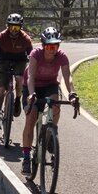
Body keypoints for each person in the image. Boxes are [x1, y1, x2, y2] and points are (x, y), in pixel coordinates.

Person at [20, 26, 78, 174]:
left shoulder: (62, 56)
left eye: (55, 46)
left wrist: (72, 94)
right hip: (31, 86)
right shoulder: (36, 54)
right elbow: (31, 77)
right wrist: (31, 94)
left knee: (56, 105)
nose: (52, 49)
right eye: (49, 46)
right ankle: (26, 158)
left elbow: (67, 77)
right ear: (43, 45)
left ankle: (50, 134)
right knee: (31, 117)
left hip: (50, 85)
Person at [0, 12, 34, 129]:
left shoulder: (25, 38)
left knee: (19, 79)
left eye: (17, 27)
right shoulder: (1, 36)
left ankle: (17, 100)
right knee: (1, 89)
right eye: (11, 27)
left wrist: (32, 66)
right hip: (3, 61)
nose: (14, 30)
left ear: (21, 28)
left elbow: (31, 54)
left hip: (19, 61)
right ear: (7, 26)